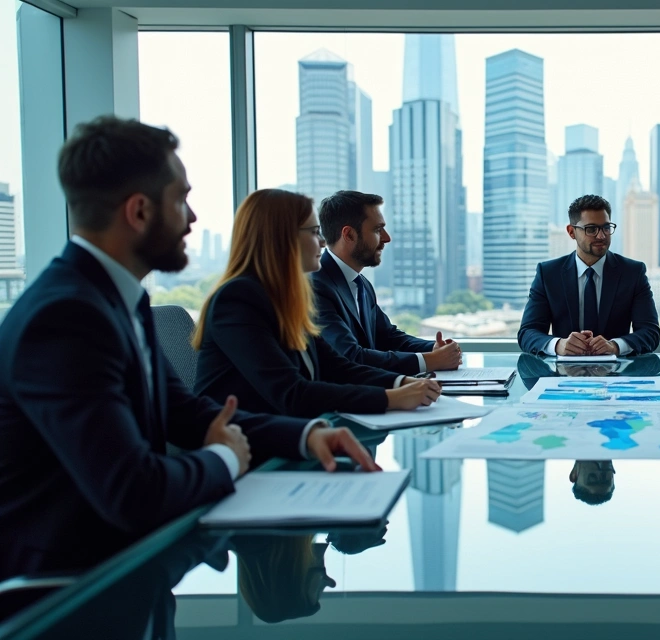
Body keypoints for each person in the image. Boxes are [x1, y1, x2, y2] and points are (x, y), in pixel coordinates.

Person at [0, 117, 377, 582]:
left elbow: (185, 412)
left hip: (130, 571)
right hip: (66, 591)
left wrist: (305, 436)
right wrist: (225, 458)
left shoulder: (119, 300)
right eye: (181, 199)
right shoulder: (65, 318)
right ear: (139, 211)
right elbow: (132, 491)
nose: (194, 218)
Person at [193, 189, 441, 418]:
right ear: (282, 238)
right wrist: (391, 398)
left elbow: (337, 367)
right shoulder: (238, 299)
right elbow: (293, 393)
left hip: (288, 433)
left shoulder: (287, 298)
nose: (323, 242)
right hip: (243, 443)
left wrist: (401, 383)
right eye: (313, 232)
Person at [313, 190, 462, 376]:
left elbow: (388, 337)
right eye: (377, 230)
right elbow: (350, 356)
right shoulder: (316, 287)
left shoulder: (361, 284)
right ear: (349, 235)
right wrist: (430, 361)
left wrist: (436, 348)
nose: (387, 238)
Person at [518, 195, 660, 356]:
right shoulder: (548, 274)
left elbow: (650, 332)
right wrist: (558, 345)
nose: (601, 236)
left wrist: (615, 346)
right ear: (571, 232)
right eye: (591, 229)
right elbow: (527, 333)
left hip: (617, 370)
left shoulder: (633, 273)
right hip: (562, 371)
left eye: (606, 228)